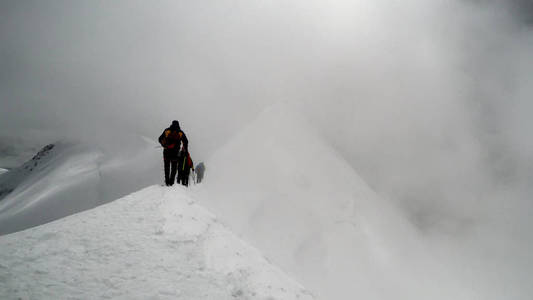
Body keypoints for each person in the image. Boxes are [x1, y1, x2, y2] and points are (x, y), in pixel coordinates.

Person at [158, 120, 188, 186]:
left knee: (167, 167)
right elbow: (186, 141)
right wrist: (185, 149)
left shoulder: (167, 130)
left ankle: (167, 182)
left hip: (166, 152)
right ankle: (171, 182)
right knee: (174, 168)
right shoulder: (180, 132)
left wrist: (164, 145)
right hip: (175, 153)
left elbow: (160, 139)